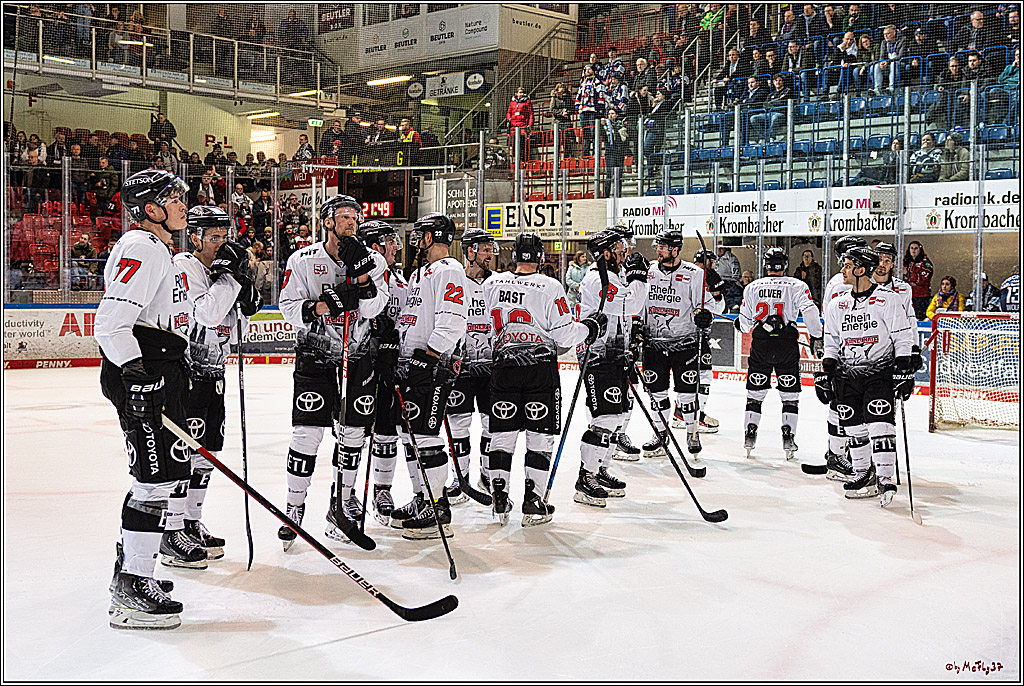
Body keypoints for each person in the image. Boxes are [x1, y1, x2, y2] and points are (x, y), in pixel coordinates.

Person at [96, 168, 191, 630]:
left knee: (162, 476)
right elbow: (110, 322)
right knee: (153, 480)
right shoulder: (142, 247)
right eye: (172, 198)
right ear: (150, 208)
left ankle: (134, 566)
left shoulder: (157, 249)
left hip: (157, 369)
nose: (182, 206)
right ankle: (132, 585)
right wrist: (136, 377)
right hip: (144, 372)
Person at [275, 195, 387, 550]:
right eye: (343, 216)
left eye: (355, 214)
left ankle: (342, 501)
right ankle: (294, 506)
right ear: (326, 221)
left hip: (358, 358)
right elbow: (288, 307)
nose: (351, 220)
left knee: (353, 434)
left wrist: (363, 276)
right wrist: (324, 305)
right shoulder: (303, 260)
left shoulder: (374, 259)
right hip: (315, 356)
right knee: (307, 434)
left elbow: (374, 306)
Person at [483, 232, 605, 525]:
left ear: (513, 256)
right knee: (540, 436)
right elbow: (564, 335)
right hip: (539, 371)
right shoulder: (550, 286)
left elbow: (484, 325)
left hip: (503, 367)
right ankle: (533, 501)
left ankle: (500, 496)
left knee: (501, 435)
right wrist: (590, 328)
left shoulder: (491, 283)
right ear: (540, 258)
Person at [165, 206, 262, 570]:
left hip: (215, 370)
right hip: (185, 373)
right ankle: (171, 528)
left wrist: (245, 292)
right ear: (195, 238)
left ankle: (191, 520)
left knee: (208, 452)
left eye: (225, 237)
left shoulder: (222, 271)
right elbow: (206, 313)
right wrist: (231, 281)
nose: (222, 244)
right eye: (214, 238)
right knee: (183, 450)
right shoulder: (183, 266)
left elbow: (234, 328)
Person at [388, 213, 467, 540]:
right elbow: (412, 315)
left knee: (425, 436)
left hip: (430, 366)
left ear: (434, 235)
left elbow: (452, 317)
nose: (415, 239)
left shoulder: (450, 268)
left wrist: (431, 355)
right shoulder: (421, 271)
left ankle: (438, 507)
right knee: (410, 436)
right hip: (411, 363)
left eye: (420, 233)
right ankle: (423, 498)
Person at [818, 246, 916, 506]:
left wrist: (904, 367)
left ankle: (885, 478)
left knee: (880, 422)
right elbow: (832, 340)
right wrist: (826, 370)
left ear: (861, 270)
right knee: (852, 426)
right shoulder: (838, 303)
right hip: (847, 375)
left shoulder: (888, 299)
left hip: (879, 374)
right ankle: (864, 472)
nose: (843, 270)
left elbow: (902, 336)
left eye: (848, 266)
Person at [574, 228, 648, 507]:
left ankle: (600, 469)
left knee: (616, 418)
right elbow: (633, 302)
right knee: (604, 419)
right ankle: (585, 477)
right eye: (619, 249)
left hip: (616, 355)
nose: (625, 253)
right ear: (605, 253)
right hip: (598, 356)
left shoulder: (616, 277)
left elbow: (626, 315)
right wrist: (640, 277)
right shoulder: (597, 278)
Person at [639, 230, 720, 460]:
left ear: (675, 250)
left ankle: (692, 433)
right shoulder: (648, 271)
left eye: (662, 247)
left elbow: (713, 306)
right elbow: (638, 301)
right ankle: (660, 433)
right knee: (657, 393)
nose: (658, 251)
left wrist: (705, 315)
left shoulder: (693, 273)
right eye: (658, 247)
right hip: (653, 344)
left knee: (686, 394)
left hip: (685, 344)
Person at [735, 248, 823, 459]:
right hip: (786, 344)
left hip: (761, 344)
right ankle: (788, 435)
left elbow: (746, 324)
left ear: (766, 265)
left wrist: (742, 324)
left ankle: (750, 433)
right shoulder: (796, 285)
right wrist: (816, 336)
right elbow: (810, 311)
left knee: (755, 394)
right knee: (790, 396)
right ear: (784, 265)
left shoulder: (753, 286)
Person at [356, 220, 407, 526]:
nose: (395, 245)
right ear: (374, 246)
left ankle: (381, 490)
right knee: (352, 433)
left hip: (391, 367)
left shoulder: (402, 280)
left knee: (387, 430)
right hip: (360, 364)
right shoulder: (358, 275)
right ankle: (346, 494)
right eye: (389, 240)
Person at [444, 228, 497, 503]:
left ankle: (487, 474)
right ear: (470, 251)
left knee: (491, 424)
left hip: (491, 367)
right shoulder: (454, 282)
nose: (490, 254)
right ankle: (460, 477)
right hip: (459, 368)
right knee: (458, 424)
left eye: (491, 249)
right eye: (485, 249)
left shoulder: (498, 283)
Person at [575, 64, 605, 158]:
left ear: (594, 71)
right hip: (583, 111)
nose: (587, 71)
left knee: (594, 132)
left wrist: (598, 107)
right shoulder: (583, 84)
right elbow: (578, 96)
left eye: (589, 69)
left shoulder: (598, 82)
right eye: (586, 69)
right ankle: (585, 155)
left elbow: (601, 95)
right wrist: (577, 107)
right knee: (585, 133)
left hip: (593, 111)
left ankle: (596, 153)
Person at [903, 240, 934, 319]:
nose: (913, 250)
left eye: (916, 248)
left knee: (919, 318)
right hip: (907, 295)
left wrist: (908, 274)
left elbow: (924, 279)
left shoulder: (925, 263)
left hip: (921, 296)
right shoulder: (905, 262)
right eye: (911, 248)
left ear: (920, 250)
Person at [872, 25, 905, 94]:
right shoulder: (884, 43)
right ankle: (877, 89)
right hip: (888, 64)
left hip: (900, 64)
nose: (885, 36)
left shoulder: (902, 40)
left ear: (893, 33)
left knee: (893, 64)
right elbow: (882, 56)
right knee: (877, 66)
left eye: (887, 34)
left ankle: (891, 87)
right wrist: (882, 62)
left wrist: (888, 61)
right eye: (884, 34)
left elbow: (900, 56)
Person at [550, 82, 576, 158]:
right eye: (560, 87)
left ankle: (566, 157)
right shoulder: (554, 98)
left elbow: (572, 108)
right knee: (557, 141)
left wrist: (567, 112)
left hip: (567, 122)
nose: (562, 89)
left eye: (563, 87)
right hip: (557, 122)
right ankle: (556, 158)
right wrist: (561, 113)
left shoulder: (568, 98)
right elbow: (552, 109)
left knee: (567, 141)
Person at [506, 86, 534, 158]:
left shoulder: (527, 102)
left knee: (522, 143)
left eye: (523, 92)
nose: (522, 94)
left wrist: (530, 124)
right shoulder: (512, 102)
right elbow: (509, 112)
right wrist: (509, 119)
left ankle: (522, 158)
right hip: (513, 125)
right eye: (520, 92)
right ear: (516, 93)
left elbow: (531, 114)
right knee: (513, 142)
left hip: (522, 125)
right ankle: (515, 158)